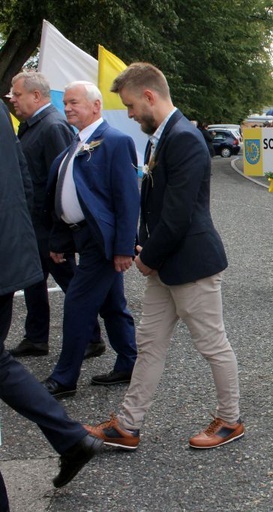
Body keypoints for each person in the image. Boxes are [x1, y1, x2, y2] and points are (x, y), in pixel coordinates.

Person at [86, 62, 243, 449]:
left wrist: (146, 258)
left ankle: (231, 420)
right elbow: (153, 204)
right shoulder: (163, 135)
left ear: (149, 96)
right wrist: (145, 244)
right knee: (150, 343)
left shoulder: (185, 138)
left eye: (130, 105)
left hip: (190, 264)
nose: (129, 114)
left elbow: (179, 214)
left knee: (212, 345)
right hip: (165, 262)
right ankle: (127, 425)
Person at [0, 100, 102, 495]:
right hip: (10, 253)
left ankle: (70, 437)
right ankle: (70, 438)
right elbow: (26, 182)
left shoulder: (48, 126)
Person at [41, 81, 139, 398]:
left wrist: (124, 247)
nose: (67, 107)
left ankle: (64, 378)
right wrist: (60, 242)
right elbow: (64, 195)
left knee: (77, 305)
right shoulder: (77, 142)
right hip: (82, 239)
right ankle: (129, 363)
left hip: (103, 242)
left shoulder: (114, 141)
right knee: (112, 305)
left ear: (96, 106)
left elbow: (127, 200)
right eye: (65, 103)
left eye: (74, 102)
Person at [7, 71, 104, 360]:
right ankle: (36, 338)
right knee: (33, 283)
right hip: (33, 225)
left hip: (49, 228)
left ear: (36, 96)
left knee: (72, 284)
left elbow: (65, 181)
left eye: (17, 93)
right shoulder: (32, 125)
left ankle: (92, 337)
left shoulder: (51, 127)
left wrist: (60, 234)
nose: (11, 98)